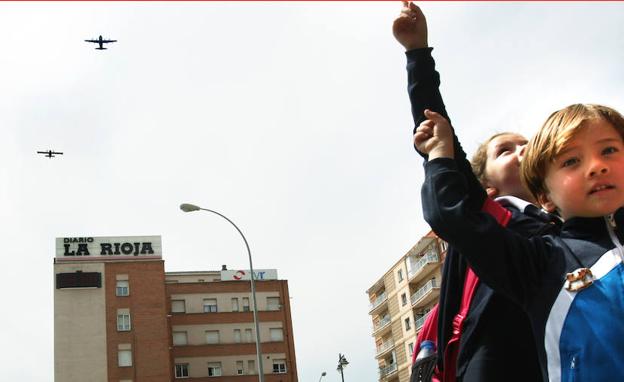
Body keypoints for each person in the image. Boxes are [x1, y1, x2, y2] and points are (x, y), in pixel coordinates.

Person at [393, 2, 555, 381]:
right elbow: (437, 130)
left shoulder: (571, 225)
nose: (522, 151)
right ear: (487, 184)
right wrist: (417, 53)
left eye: (528, 144)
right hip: (488, 363)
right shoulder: (483, 214)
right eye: (506, 149)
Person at [416, 103, 624, 381]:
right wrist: (440, 152)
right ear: (545, 197)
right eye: (571, 161)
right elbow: (451, 214)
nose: (597, 166)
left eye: (609, 150)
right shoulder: (542, 261)